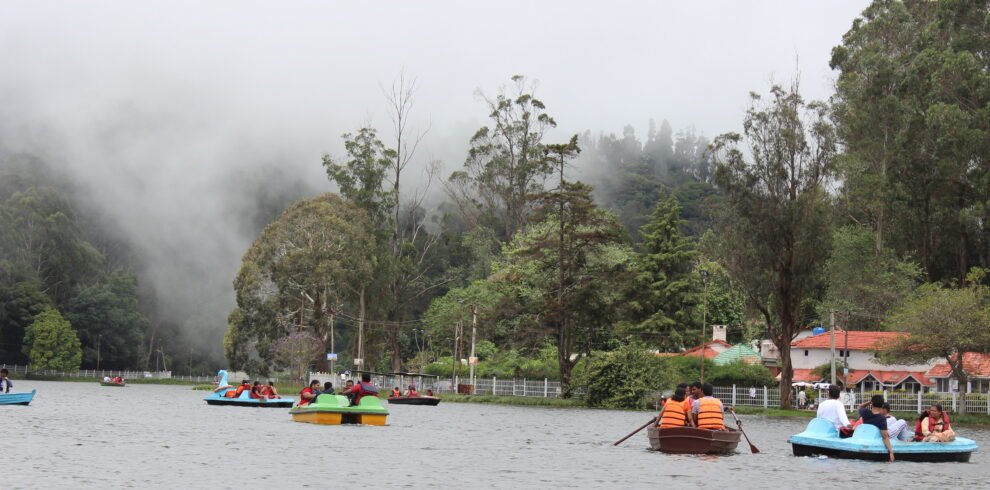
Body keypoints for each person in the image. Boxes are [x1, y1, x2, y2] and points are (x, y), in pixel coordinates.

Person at [857, 395, 894, 462]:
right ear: (882, 405)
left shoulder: (865, 412)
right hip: (879, 437)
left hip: (868, 436)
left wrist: (869, 402)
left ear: (872, 403)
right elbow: (885, 437)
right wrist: (891, 452)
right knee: (902, 422)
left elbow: (860, 407)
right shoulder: (882, 418)